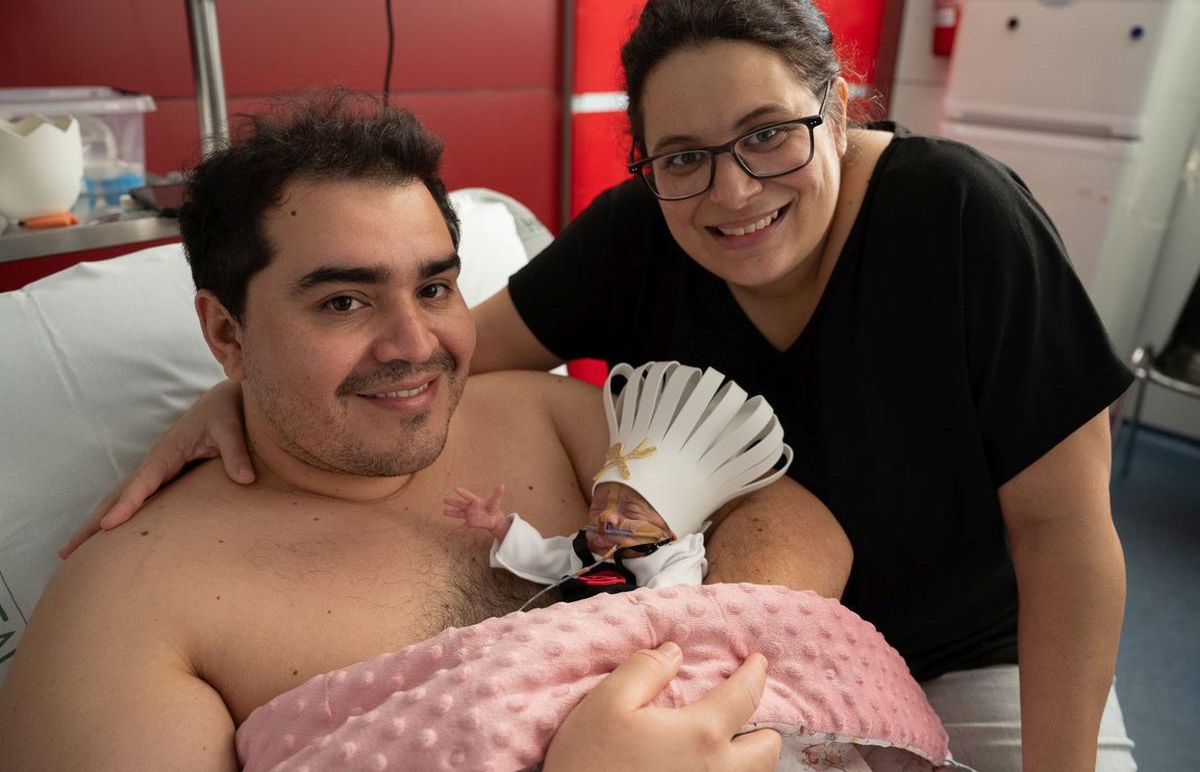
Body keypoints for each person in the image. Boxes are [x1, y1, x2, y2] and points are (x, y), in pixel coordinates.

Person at [62, 0, 1135, 770]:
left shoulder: (953, 219)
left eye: (768, 134)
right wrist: (233, 391)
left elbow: (1063, 533)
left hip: (990, 641)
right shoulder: (136, 593)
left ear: (840, 109)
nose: (730, 190)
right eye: (342, 299)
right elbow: (450, 343)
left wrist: (704, 659)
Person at [0, 90, 853, 771]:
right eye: (344, 301)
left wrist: (699, 676)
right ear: (227, 334)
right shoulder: (131, 609)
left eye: (436, 289)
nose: (415, 347)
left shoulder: (544, 412)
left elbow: (789, 521)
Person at [446, 360, 794, 600]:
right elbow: (543, 556)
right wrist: (500, 526)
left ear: (669, 529)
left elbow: (670, 602)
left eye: (629, 509)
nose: (608, 518)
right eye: (599, 505)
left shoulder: (673, 559)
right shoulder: (588, 550)